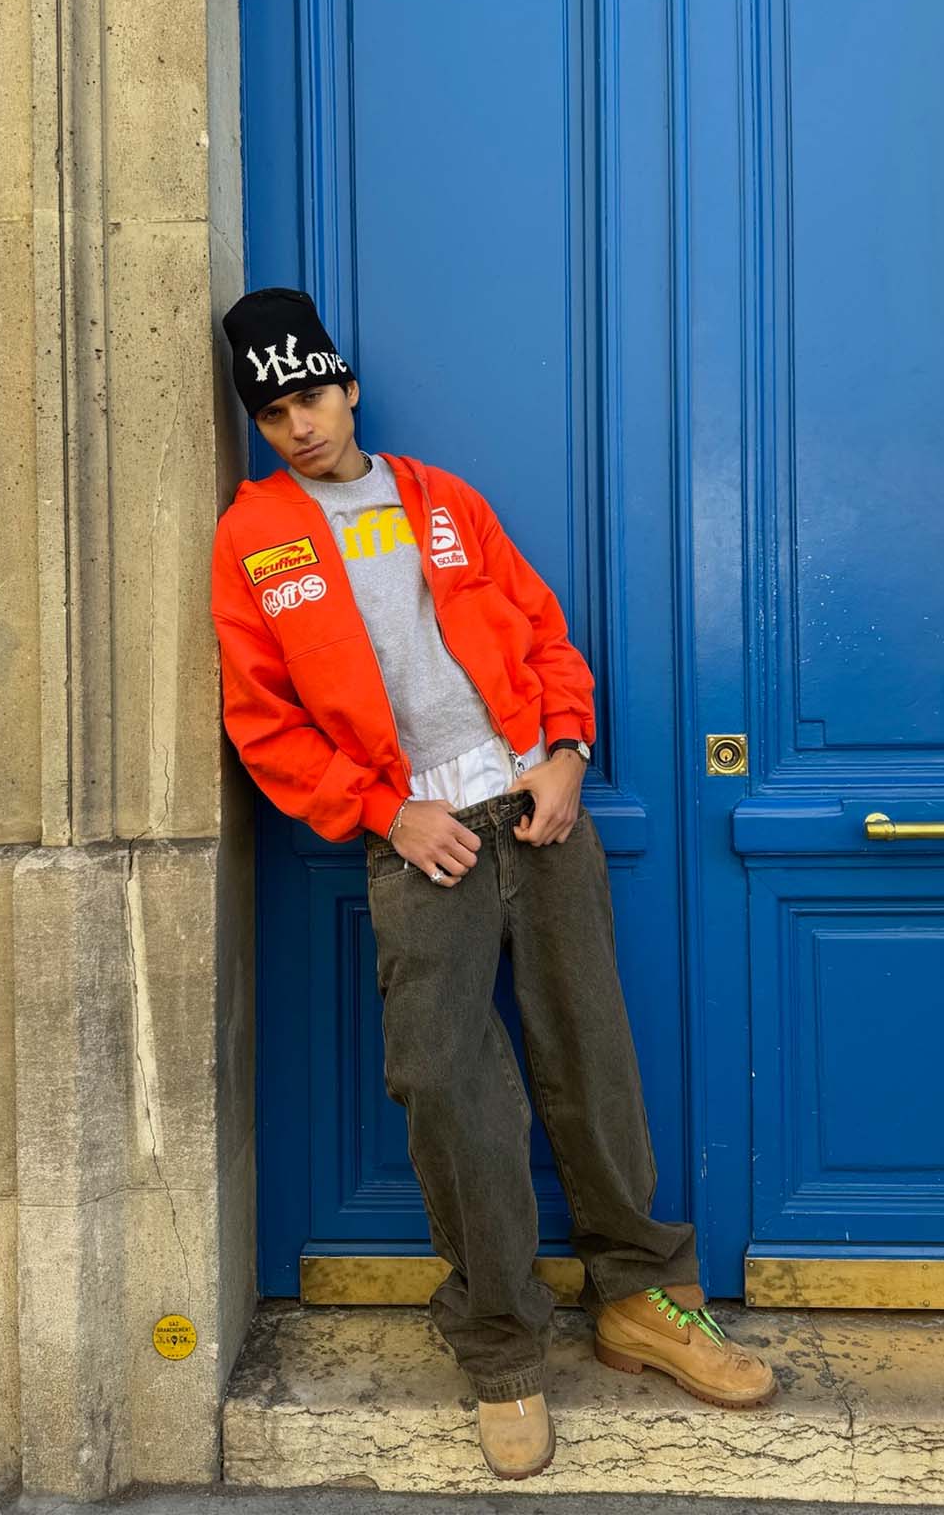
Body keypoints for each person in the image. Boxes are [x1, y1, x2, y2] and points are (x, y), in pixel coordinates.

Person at [210, 287, 776, 1479]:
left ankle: (640, 1299)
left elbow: (542, 632)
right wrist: (386, 812)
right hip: (422, 837)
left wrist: (566, 754)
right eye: (271, 413)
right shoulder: (253, 538)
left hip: (535, 809)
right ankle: (504, 1346)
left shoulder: (441, 498)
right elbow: (264, 725)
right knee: (446, 1084)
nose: (298, 426)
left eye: (310, 397)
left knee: (591, 1051)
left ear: (348, 387)